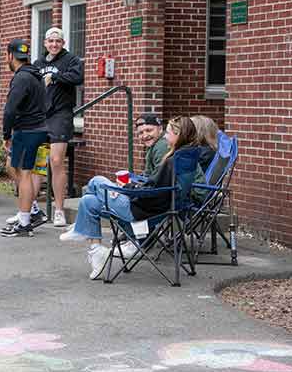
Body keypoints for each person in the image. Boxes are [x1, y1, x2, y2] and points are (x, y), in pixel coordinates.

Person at [59, 117, 201, 279]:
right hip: (157, 208)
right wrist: (135, 185)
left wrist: (127, 188)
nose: (166, 137)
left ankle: (81, 228)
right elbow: (157, 187)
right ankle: (97, 252)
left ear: (178, 135)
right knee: (88, 201)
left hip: (141, 211)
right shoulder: (186, 156)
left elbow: (154, 191)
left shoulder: (171, 161)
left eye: (168, 132)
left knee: (97, 181)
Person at [0, 39, 51, 238]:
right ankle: (33, 210)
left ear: (10, 56)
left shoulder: (21, 78)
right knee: (12, 167)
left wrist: (6, 135)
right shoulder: (35, 75)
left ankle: (24, 223)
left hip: (27, 130)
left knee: (25, 174)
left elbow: (10, 109)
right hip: (38, 129)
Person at [32, 27, 83, 227]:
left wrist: (55, 77)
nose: (54, 44)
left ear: (63, 43)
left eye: (58, 41)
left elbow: (78, 78)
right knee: (37, 162)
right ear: (45, 43)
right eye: (51, 41)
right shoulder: (38, 63)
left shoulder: (70, 60)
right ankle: (32, 208)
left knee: (56, 161)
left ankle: (59, 210)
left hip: (61, 115)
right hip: (40, 116)